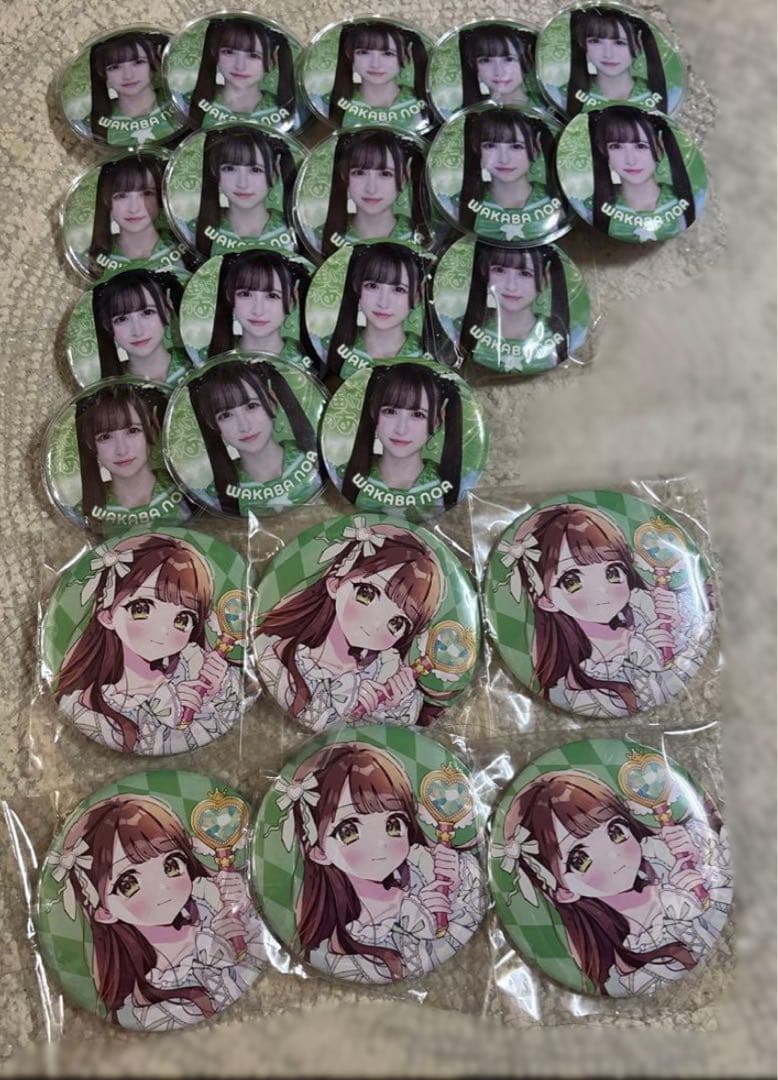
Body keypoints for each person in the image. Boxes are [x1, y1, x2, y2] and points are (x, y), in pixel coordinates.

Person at [495, 768, 731, 996]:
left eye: (615, 831)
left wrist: (700, 863)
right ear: (564, 891)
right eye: (580, 859)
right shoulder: (629, 968)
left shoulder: (668, 856)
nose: (612, 854)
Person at [272, 742, 485, 981]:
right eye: (349, 831)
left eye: (393, 824)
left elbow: (466, 928)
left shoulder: (424, 874)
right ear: (318, 852)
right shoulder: (346, 944)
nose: (380, 843)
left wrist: (452, 892)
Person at [51, 792, 267, 1027]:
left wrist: (244, 908)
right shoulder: (144, 1005)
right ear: (104, 911)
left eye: (171, 865)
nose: (162, 887)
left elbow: (266, 954)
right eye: (129, 884)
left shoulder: (211, 905)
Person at [496, 502, 714, 716]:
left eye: (613, 572)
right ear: (546, 600)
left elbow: (692, 647)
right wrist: (646, 655)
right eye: (572, 581)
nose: (602, 590)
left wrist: (677, 629)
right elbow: (647, 695)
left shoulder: (644, 610)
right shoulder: (580, 685)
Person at [55, 533, 243, 755]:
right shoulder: (90, 706)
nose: (163, 630)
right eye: (141, 609)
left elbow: (225, 722)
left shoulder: (193, 666)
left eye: (182, 619)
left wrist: (212, 694)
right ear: (107, 615)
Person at [255, 519, 450, 729]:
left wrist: (387, 705)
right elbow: (313, 718)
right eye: (367, 594)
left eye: (397, 623)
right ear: (335, 583)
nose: (376, 622)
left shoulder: (387, 671)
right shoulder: (281, 660)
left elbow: (389, 735)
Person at [189, 359, 319, 516]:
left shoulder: (316, 459)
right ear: (212, 423)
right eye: (226, 415)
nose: (244, 426)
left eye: (251, 406)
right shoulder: (215, 497)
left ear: (272, 402)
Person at [340, 363, 463, 509]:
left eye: (417, 414)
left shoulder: (457, 486)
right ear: (373, 412)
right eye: (390, 411)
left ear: (436, 421)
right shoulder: (341, 476)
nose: (401, 429)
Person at [74, 382, 189, 528]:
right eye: (105, 437)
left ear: (152, 432)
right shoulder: (81, 512)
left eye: (133, 431)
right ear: (91, 444)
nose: (121, 450)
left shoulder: (187, 488)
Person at [588, 106, 697, 242]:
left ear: (659, 148)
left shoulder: (681, 204)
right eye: (616, 146)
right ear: (603, 151)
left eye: (640, 146)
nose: (630, 160)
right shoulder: (591, 207)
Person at [324, 244, 434, 378]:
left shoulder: (432, 358)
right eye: (372, 286)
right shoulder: (330, 351)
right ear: (356, 287)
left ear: (417, 295)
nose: (383, 303)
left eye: (399, 289)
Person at [459, 244, 570, 373]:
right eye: (499, 270)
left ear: (545, 278)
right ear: (485, 272)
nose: (511, 286)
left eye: (525, 273)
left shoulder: (558, 333)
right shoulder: (460, 328)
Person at [458, 109, 563, 242]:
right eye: (490, 146)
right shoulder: (464, 204)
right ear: (476, 148)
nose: (504, 159)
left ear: (535, 148)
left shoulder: (556, 201)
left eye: (516, 146)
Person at [321, 129, 429, 257]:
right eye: (359, 173)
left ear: (405, 178)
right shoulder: (322, 237)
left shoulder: (422, 236)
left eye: (385, 174)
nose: (371, 189)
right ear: (345, 176)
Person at [193, 127, 297, 257]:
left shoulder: (296, 229)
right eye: (229, 169)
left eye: (255, 170)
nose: (242, 184)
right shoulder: (195, 230)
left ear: (275, 172)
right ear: (215, 171)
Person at [204, 249, 316, 370]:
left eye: (272, 296)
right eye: (245, 294)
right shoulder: (210, 358)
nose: (258, 311)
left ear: (292, 299)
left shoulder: (310, 363)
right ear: (229, 296)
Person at [188, 17, 296, 129]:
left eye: (253, 56)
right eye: (228, 52)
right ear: (214, 52)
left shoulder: (285, 112)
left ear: (272, 59)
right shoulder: (188, 102)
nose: (240, 66)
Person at [86, 156, 186, 277]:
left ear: (161, 197)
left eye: (147, 193)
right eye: (121, 196)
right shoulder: (94, 258)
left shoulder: (184, 243)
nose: (134, 208)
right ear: (106, 201)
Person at [93, 269, 191, 385]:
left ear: (167, 312)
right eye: (121, 319)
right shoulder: (107, 387)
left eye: (147, 312)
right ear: (107, 325)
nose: (137, 331)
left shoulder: (198, 362)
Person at [566, 7, 668, 116]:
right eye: (595, 41)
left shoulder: (669, 95)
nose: (608, 54)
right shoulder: (563, 96)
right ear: (583, 44)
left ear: (637, 44)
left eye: (619, 43)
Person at [328, 22, 430, 129]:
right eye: (363, 52)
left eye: (388, 54)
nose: (375, 64)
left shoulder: (424, 104)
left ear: (406, 55)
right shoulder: (327, 104)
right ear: (349, 53)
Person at [86, 31, 177, 145]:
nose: (128, 75)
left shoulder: (180, 102)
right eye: (114, 67)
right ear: (102, 73)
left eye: (138, 62)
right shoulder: (95, 123)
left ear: (154, 64)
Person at [458, 24, 543, 110]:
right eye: (485, 60)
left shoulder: (544, 105)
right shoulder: (463, 113)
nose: (499, 71)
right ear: (473, 65)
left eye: (509, 59)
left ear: (527, 61)